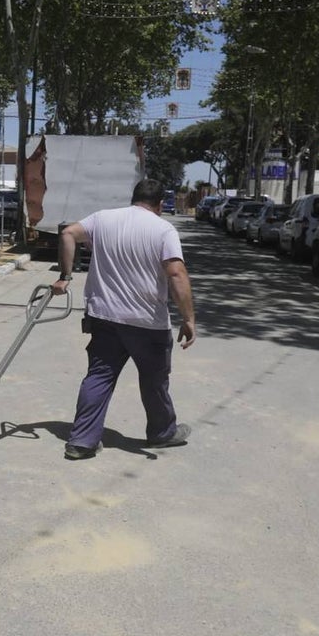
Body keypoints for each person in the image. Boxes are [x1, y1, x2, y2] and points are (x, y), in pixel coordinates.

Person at [52, 179, 196, 460]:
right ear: (159, 205)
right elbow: (176, 274)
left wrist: (65, 277)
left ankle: (81, 441)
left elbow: (68, 234)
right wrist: (188, 318)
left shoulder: (102, 219)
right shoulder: (163, 229)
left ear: (134, 198)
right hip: (148, 323)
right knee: (154, 380)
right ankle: (162, 433)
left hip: (104, 317)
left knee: (99, 376)